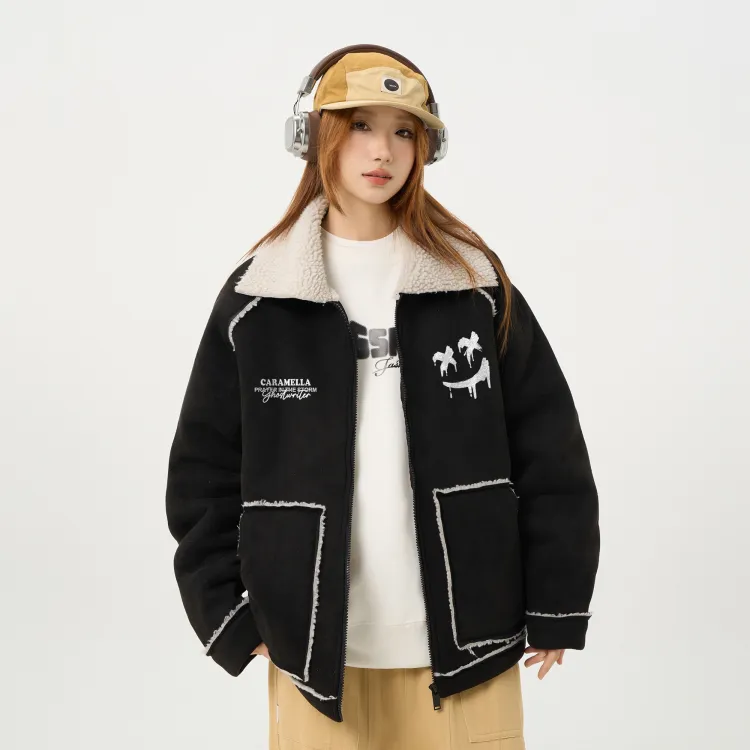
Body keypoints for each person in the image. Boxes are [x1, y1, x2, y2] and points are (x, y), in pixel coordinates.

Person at [165, 46, 600, 750]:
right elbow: (202, 473)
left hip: (471, 644)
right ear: (314, 136)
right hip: (313, 655)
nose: (383, 150)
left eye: (404, 131)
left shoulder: (474, 285)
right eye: (361, 125)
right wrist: (227, 614)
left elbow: (552, 455)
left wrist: (557, 603)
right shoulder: (261, 298)